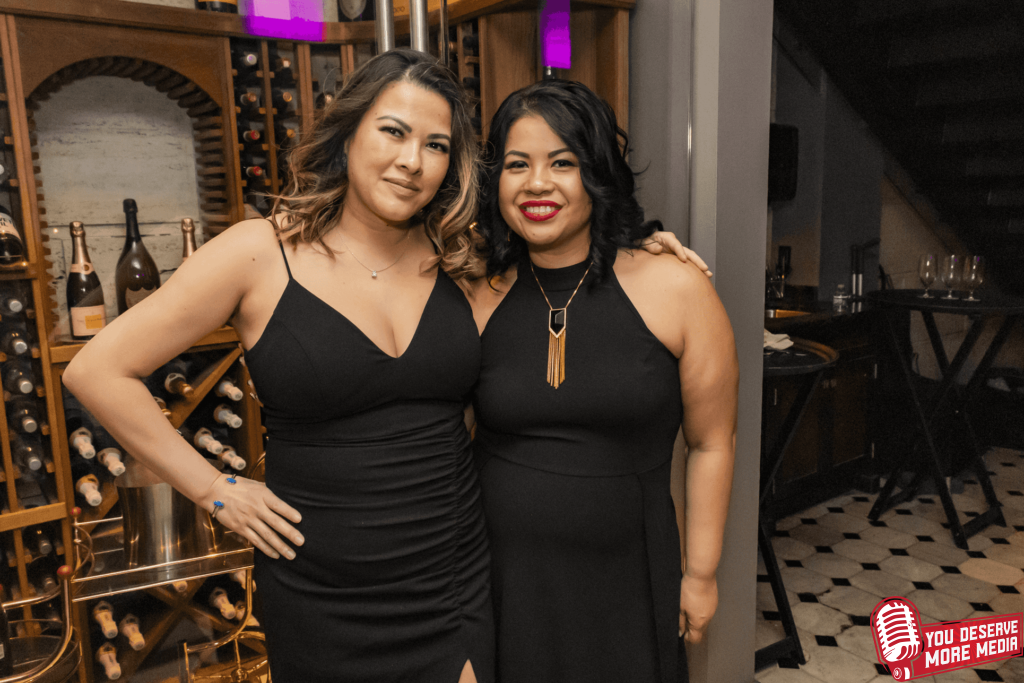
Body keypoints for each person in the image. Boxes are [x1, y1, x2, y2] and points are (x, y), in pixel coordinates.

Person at [65, 49, 491, 683]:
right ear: (348, 133)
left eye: (436, 145)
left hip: (452, 579)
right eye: (393, 131)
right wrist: (213, 489)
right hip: (320, 592)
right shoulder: (260, 252)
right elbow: (97, 371)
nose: (412, 161)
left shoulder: (459, 256)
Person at [468, 79, 738, 683]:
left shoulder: (677, 287)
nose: (537, 184)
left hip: (629, 579)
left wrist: (700, 574)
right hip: (502, 583)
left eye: (562, 162)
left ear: (597, 173)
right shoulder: (476, 292)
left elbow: (713, 442)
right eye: (517, 164)